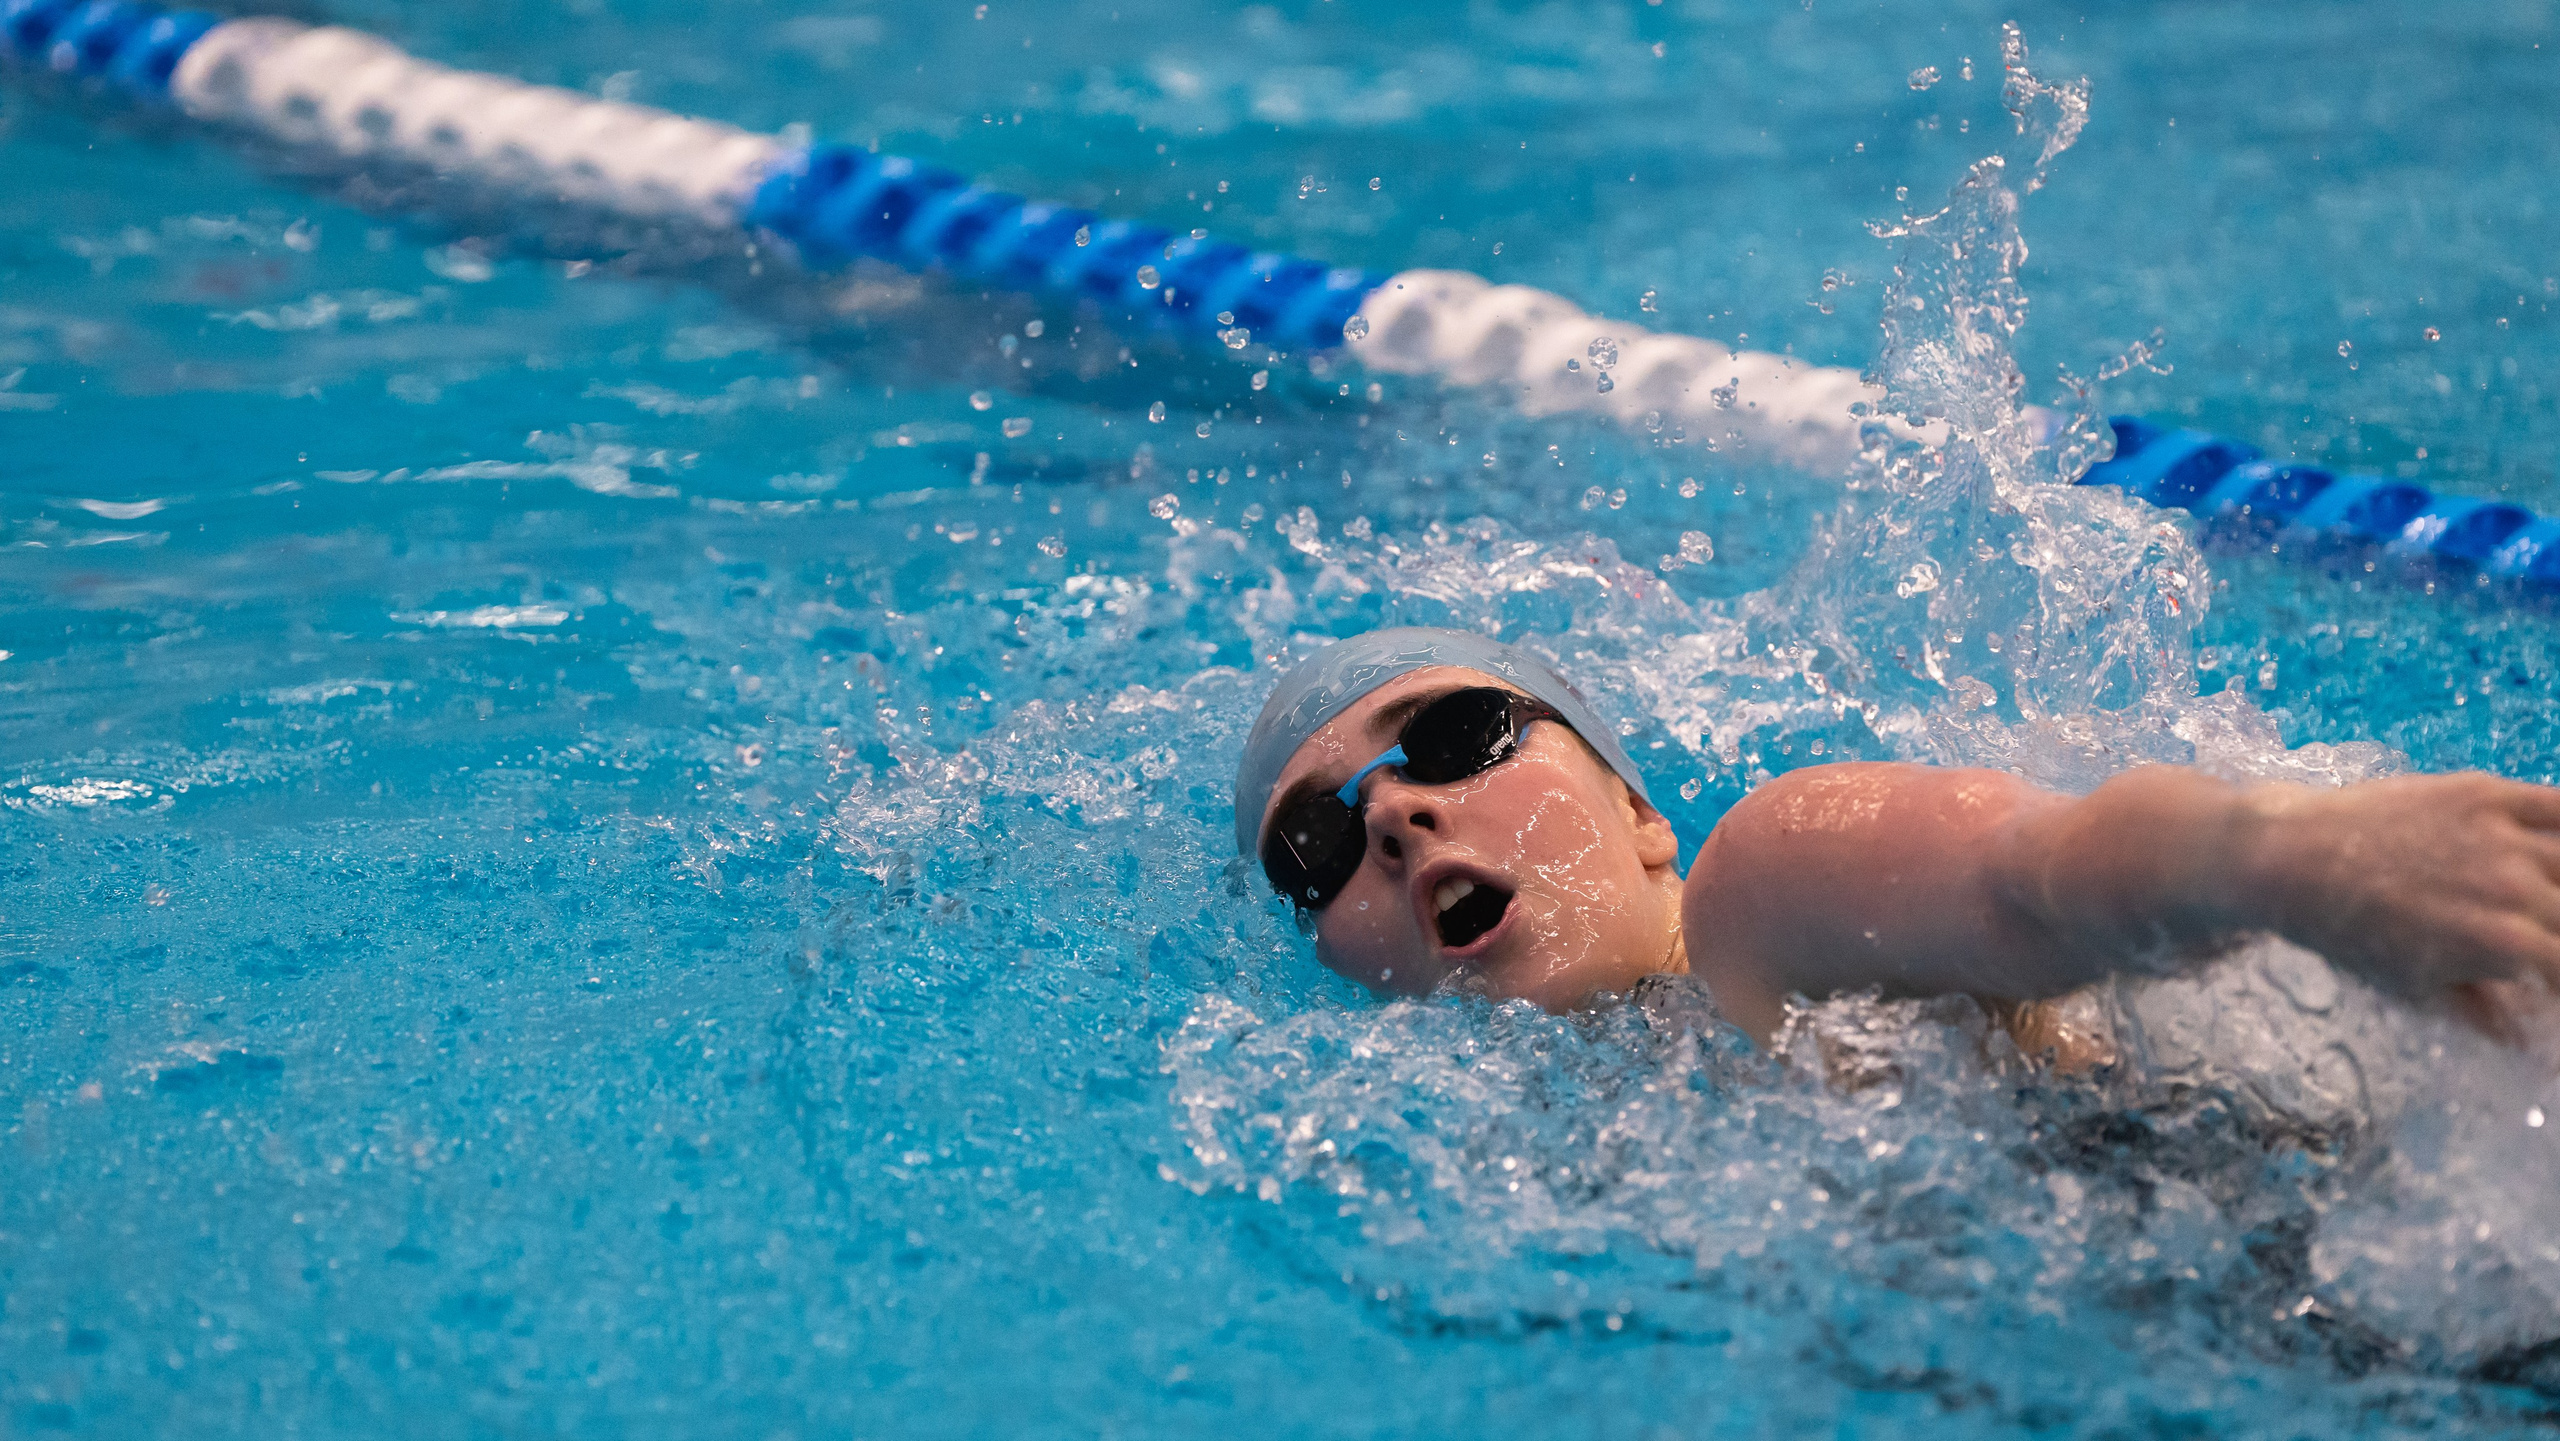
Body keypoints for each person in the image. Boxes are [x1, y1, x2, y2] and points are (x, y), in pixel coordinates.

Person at [1235, 626, 2560, 1049]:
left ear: (1640, 814)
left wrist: (2291, 859)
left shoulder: (1763, 896)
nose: (1393, 813)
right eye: (1316, 844)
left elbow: (2038, 870)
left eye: (1457, 734)